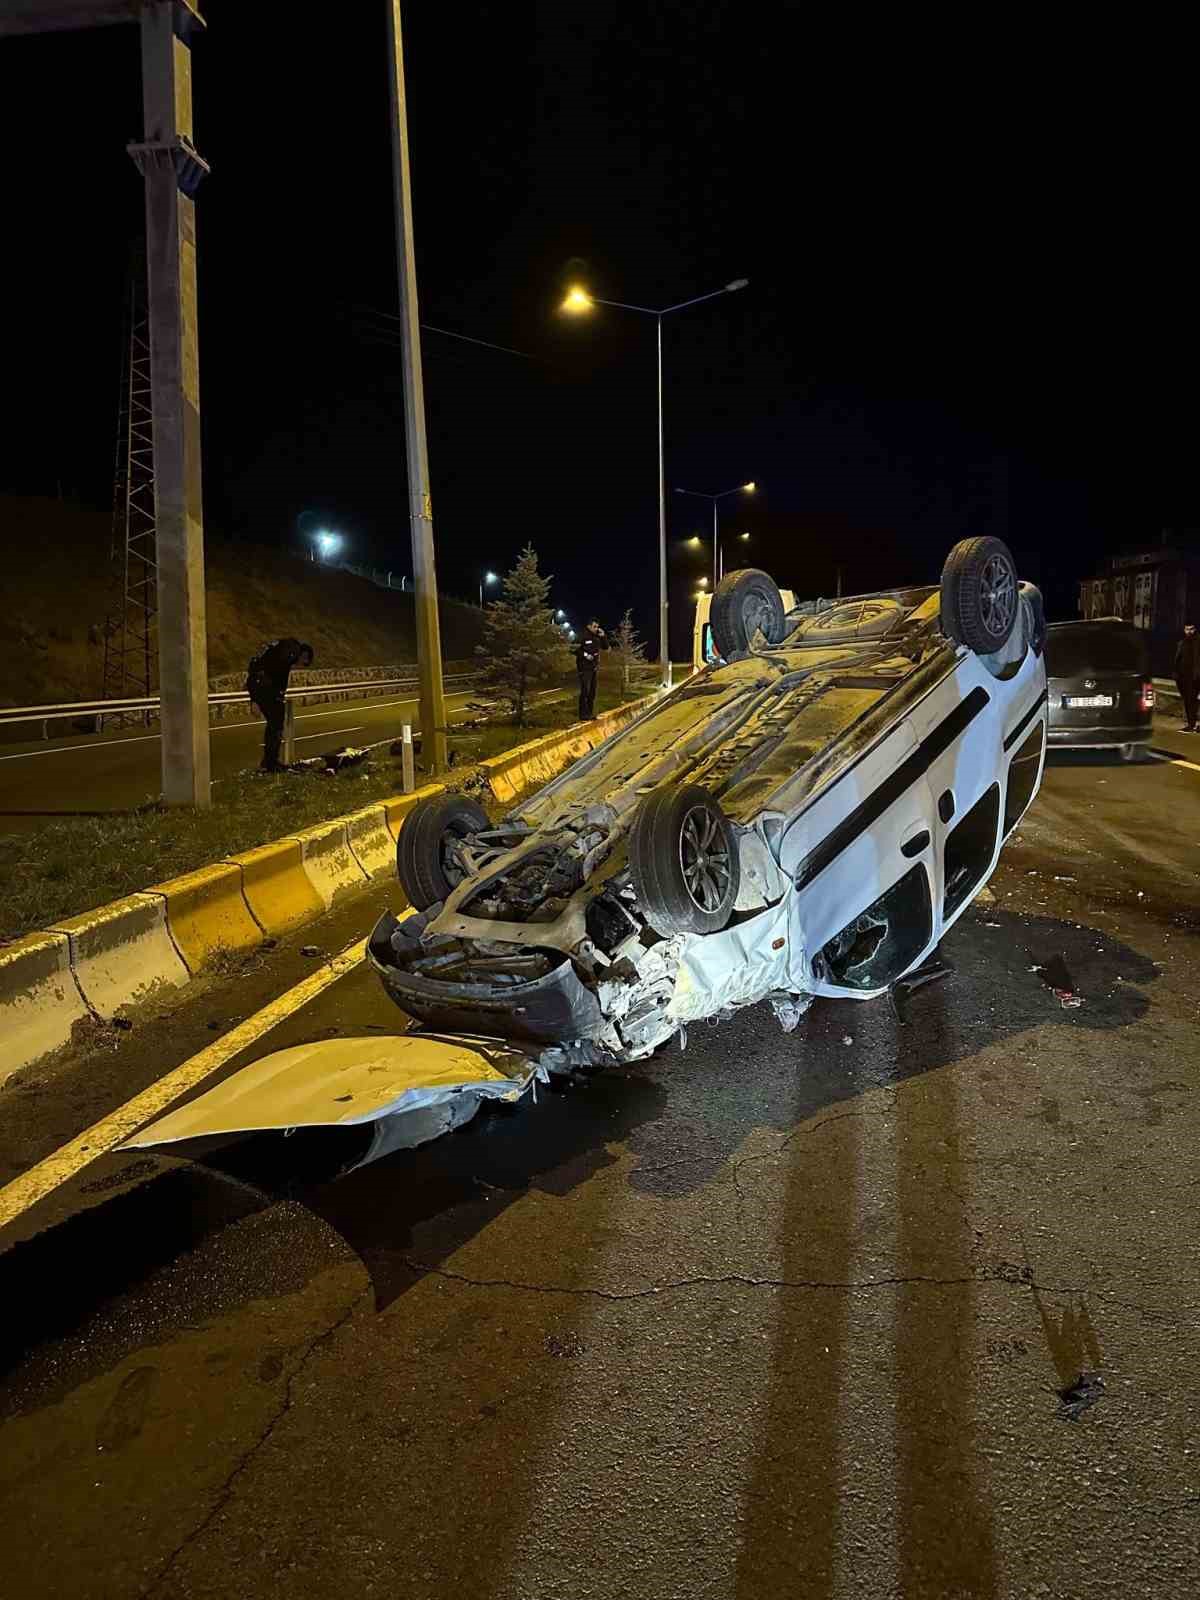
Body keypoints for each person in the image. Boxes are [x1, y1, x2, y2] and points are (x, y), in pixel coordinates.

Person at [246, 637, 314, 771]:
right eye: (303, 662)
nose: (299, 664)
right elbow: (278, 672)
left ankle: (269, 762)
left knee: (274, 725)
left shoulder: (284, 646)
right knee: (276, 725)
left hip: (261, 686)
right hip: (265, 689)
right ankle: (271, 763)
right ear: (304, 655)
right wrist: (277, 694)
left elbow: (261, 665)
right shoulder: (291, 651)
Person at [574, 619, 608, 719]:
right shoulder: (582, 635)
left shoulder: (597, 637)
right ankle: (583, 715)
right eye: (594, 626)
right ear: (589, 626)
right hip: (584, 668)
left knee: (592, 692)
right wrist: (585, 655)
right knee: (585, 690)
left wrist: (603, 636)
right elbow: (573, 648)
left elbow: (605, 647)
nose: (596, 629)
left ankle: (590, 713)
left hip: (594, 668)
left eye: (597, 627)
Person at [1175, 621, 1199, 732]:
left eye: (1191, 629)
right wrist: (1176, 674)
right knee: (1189, 701)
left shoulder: (1198, 642)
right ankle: (1191, 724)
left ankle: (1194, 725)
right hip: (1185, 678)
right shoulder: (1182, 643)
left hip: (1197, 677)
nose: (1189, 632)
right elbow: (1178, 660)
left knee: (1193, 701)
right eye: (1187, 629)